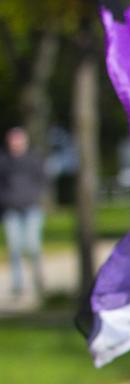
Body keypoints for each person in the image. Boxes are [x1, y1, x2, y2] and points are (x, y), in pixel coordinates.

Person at [2, 126, 47, 298]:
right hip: (11, 209)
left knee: (33, 246)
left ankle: (38, 280)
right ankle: (18, 285)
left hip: (31, 208)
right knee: (14, 248)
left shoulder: (33, 159)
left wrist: (35, 196)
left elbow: (43, 180)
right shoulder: (4, 161)